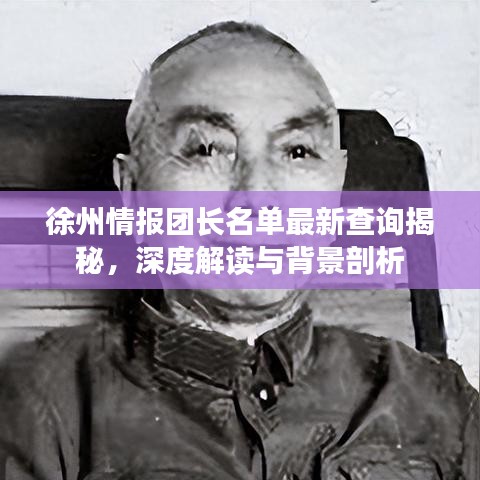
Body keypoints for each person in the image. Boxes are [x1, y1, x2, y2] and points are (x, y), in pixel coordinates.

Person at [0, 22, 477, 480]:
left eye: (297, 151)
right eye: (207, 149)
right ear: (133, 191)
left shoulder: (438, 399)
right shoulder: (46, 400)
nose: (258, 197)